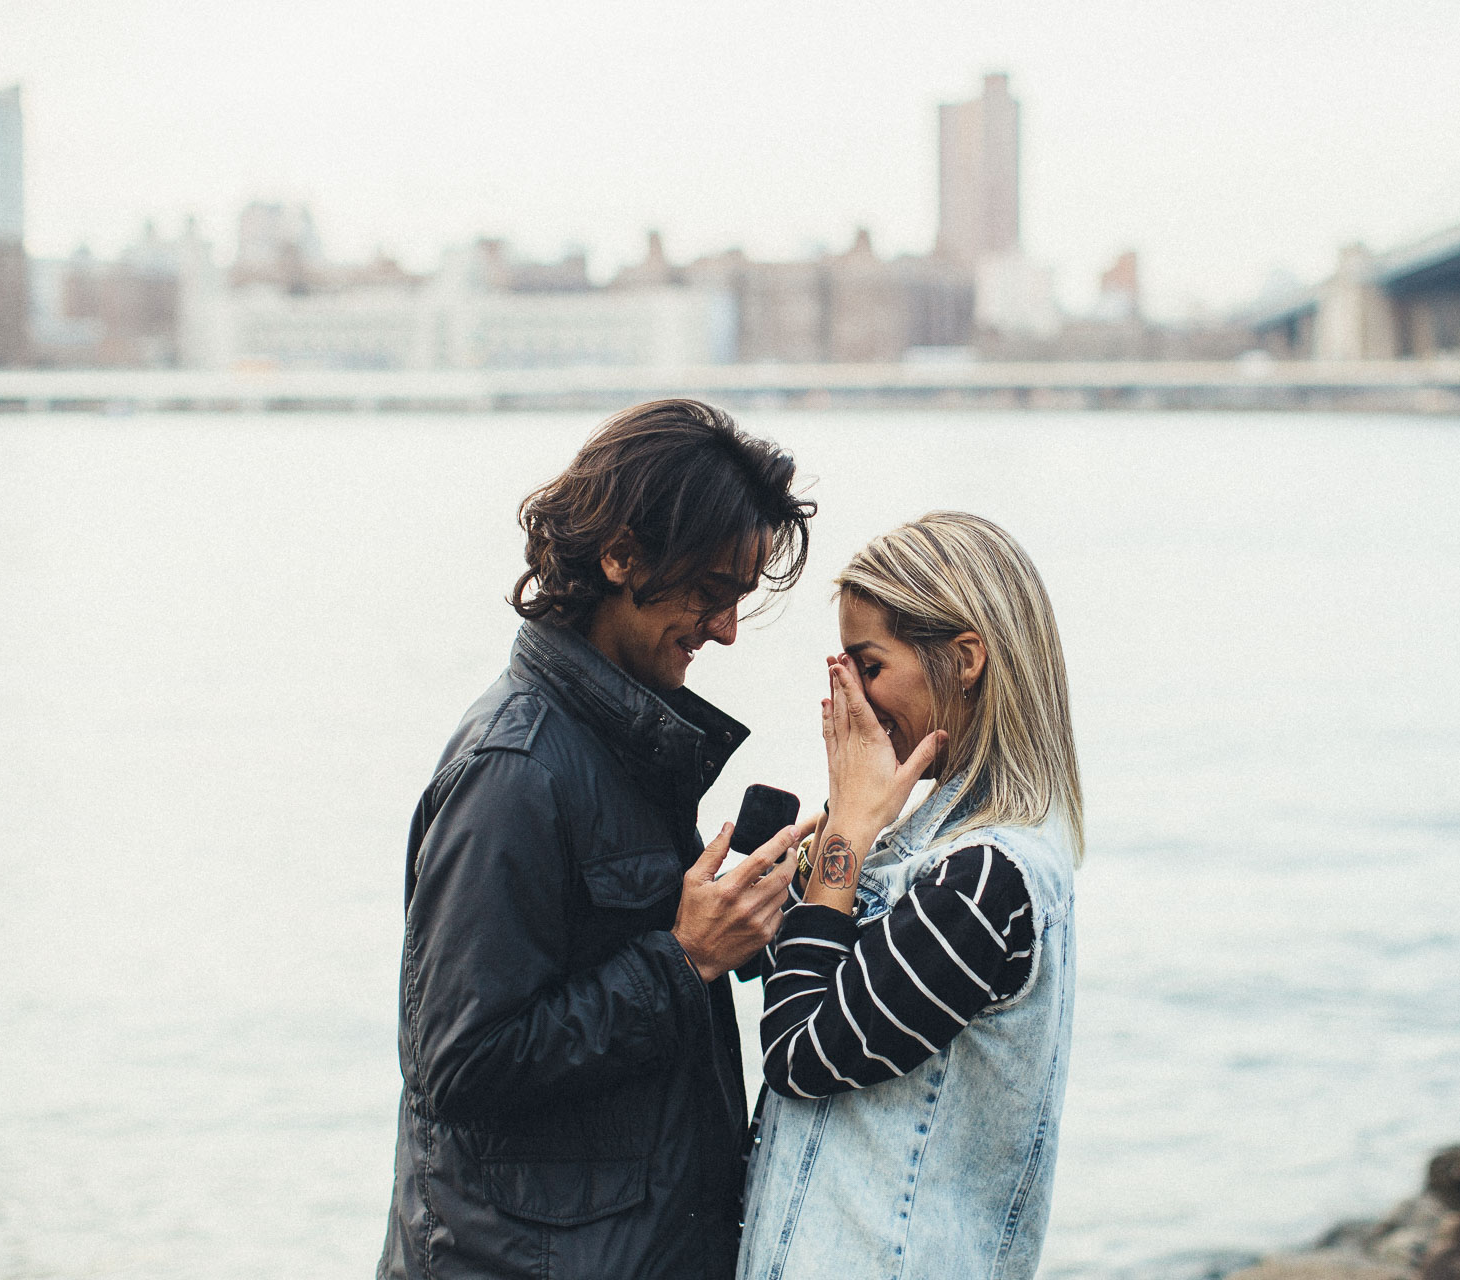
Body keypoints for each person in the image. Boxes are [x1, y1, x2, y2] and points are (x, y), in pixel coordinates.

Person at [377, 399, 818, 1280]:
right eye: (711, 592)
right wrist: (683, 958)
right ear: (620, 554)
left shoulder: (618, 744)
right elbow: (459, 1064)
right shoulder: (515, 771)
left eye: (739, 600)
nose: (727, 628)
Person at [738, 511, 1085, 1280]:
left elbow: (800, 1054)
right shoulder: (938, 856)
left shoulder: (985, 880)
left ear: (965, 660)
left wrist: (847, 838)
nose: (848, 698)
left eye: (868, 666)